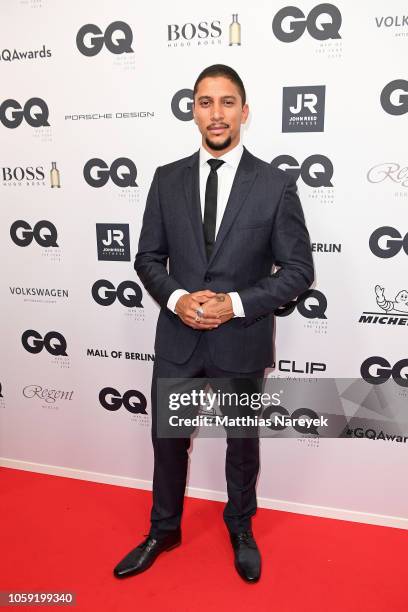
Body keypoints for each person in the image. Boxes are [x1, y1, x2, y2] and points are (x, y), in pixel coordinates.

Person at [113, 64, 314, 583]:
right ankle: (164, 529)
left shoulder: (274, 185)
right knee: (167, 442)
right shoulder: (166, 179)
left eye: (227, 102)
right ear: (193, 111)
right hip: (178, 340)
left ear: (244, 112)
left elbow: (298, 270)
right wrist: (178, 298)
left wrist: (237, 304)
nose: (216, 113)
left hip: (240, 342)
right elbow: (147, 258)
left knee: (242, 445)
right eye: (205, 102)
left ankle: (241, 525)